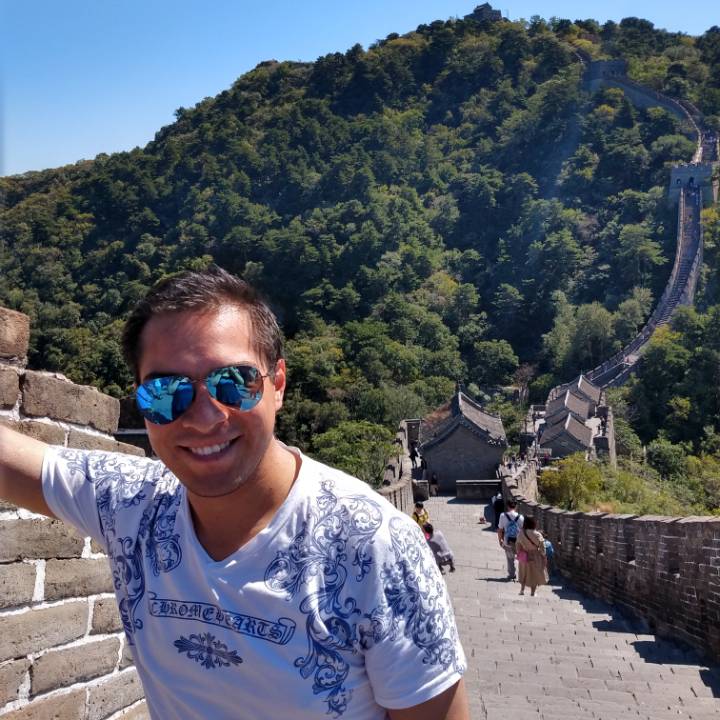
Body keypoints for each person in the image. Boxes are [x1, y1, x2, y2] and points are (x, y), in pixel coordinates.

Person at [0, 267, 469, 720]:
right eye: (166, 392)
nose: (205, 418)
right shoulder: (131, 506)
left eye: (233, 384)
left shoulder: (374, 545)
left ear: (277, 384)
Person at [515, 517, 548, 596]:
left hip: (524, 555)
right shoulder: (537, 534)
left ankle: (522, 590)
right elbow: (542, 547)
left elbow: (518, 545)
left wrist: (519, 552)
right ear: (534, 523)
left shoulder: (521, 533)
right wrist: (543, 555)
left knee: (523, 572)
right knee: (534, 574)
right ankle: (533, 592)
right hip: (536, 556)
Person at [497, 499, 524, 581]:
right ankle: (522, 575)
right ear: (516, 506)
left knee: (510, 559)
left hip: (508, 541)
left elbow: (500, 530)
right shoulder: (521, 517)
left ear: (507, 506)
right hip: (519, 542)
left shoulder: (503, 515)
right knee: (521, 559)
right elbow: (523, 531)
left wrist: (500, 540)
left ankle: (512, 574)